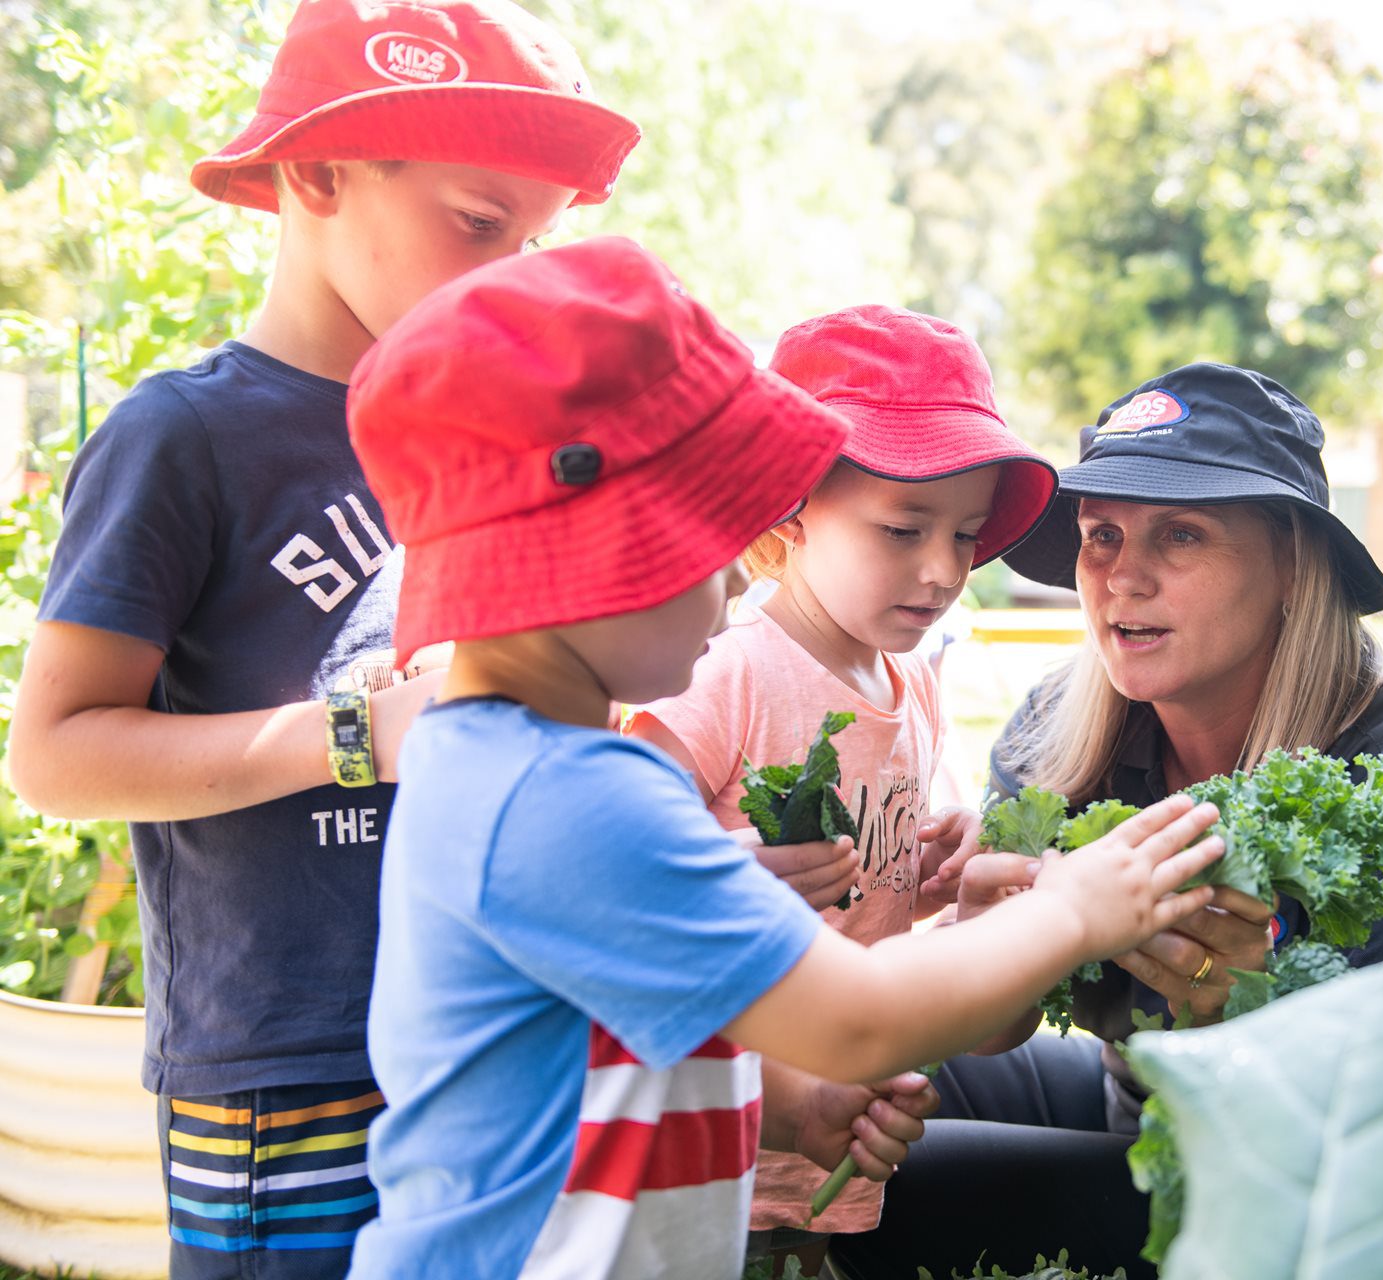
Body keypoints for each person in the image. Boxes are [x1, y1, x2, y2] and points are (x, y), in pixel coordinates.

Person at [338, 236, 1227, 1280]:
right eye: (710, 531)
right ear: (597, 546)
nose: (733, 574)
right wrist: (1074, 906)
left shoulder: (496, 762)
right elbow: (860, 1015)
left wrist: (787, 1108)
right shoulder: (569, 797)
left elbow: (601, 1063)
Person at [6, 2, 640, 1273]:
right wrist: (358, 733)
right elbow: (57, 753)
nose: (509, 271)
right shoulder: (180, 438)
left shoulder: (492, 436)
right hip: (282, 1064)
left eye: (535, 238)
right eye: (478, 222)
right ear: (316, 171)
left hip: (480, 1020)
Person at [832, 362, 1383, 1280]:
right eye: (1103, 537)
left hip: (1323, 1197)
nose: (1123, 578)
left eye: (1183, 534)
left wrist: (1244, 1006)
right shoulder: (1057, 735)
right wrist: (982, 942)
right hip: (1141, 1106)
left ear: (1292, 560)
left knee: (900, 1188)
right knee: (848, 1093)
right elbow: (998, 1023)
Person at [622, 304, 1057, 1256]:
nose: (945, 571)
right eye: (904, 529)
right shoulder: (724, 669)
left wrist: (934, 889)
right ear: (787, 507)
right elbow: (616, 873)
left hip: (838, 1156)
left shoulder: (909, 684)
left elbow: (878, 931)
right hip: (706, 1157)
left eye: (968, 536)